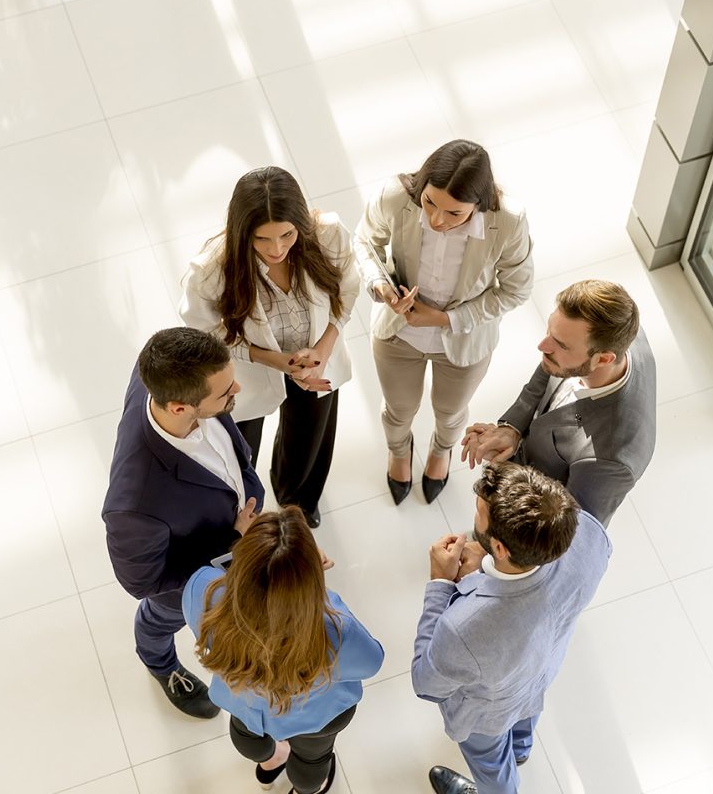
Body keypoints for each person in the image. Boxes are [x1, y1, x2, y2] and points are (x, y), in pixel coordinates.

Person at [412, 462, 611, 794]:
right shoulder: (589, 535)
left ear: (501, 549)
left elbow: (426, 684)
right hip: (540, 672)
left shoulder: (463, 627)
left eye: (478, 515)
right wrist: (489, 566)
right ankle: (521, 748)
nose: (473, 520)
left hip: (488, 713)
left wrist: (440, 584)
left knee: (492, 766)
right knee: (526, 712)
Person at [354, 139, 533, 505]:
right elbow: (364, 241)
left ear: (479, 205)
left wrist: (445, 318)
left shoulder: (509, 221)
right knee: (399, 408)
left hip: (465, 341)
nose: (437, 220)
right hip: (398, 334)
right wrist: (380, 286)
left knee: (450, 412)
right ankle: (399, 451)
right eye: (430, 203)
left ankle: (441, 451)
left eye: (455, 214)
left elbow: (516, 289)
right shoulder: (394, 195)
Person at [179, 166, 360, 529]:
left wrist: (323, 349)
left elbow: (348, 289)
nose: (276, 249)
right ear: (241, 231)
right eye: (261, 239)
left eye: (287, 235)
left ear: (301, 225)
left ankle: (298, 501)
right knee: (239, 451)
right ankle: (245, 513)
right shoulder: (210, 270)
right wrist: (273, 359)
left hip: (316, 362)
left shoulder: (328, 234)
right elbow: (208, 333)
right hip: (249, 372)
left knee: (309, 441)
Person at [102, 327, 264, 719]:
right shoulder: (135, 506)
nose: (237, 390)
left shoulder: (158, 375)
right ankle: (160, 664)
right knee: (159, 620)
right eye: (225, 393)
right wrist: (231, 541)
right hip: (189, 586)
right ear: (178, 408)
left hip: (233, 528)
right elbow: (142, 582)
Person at [183, 507, 384, 794]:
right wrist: (317, 596)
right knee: (312, 760)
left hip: (242, 699)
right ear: (309, 579)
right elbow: (372, 662)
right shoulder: (334, 629)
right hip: (315, 716)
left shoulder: (202, 589)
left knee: (245, 733)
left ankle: (270, 760)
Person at [461, 279, 656, 527]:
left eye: (560, 344)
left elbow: (564, 528)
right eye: (550, 332)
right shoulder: (619, 328)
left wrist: (506, 472)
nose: (542, 346)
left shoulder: (611, 459)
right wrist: (512, 429)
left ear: (604, 359)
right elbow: (550, 367)